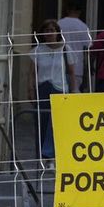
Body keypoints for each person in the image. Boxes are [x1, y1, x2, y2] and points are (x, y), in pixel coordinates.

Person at [31, 19, 69, 159]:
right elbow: (32, 72)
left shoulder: (65, 49)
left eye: (52, 30)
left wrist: (75, 90)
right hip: (43, 87)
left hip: (60, 88)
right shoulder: (37, 50)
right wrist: (31, 90)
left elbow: (71, 71)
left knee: (55, 123)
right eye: (46, 30)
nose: (49, 33)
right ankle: (40, 155)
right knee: (41, 122)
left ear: (57, 32)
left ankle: (50, 155)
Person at [58, 3, 91, 93]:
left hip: (60, 65)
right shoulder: (83, 26)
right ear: (79, 12)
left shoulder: (59, 24)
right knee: (74, 94)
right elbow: (88, 46)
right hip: (77, 66)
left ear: (67, 11)